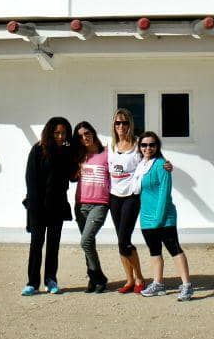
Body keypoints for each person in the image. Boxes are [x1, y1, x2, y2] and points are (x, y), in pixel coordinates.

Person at [135, 131, 193, 301]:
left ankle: (187, 285)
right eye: (144, 145)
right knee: (154, 251)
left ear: (157, 146)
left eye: (152, 144)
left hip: (163, 218)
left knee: (174, 249)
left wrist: (159, 219)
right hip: (146, 218)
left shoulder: (161, 165)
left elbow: (164, 194)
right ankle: (158, 283)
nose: (148, 148)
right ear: (140, 147)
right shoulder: (141, 166)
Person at [22, 116, 73, 296]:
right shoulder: (38, 150)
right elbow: (30, 179)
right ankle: (32, 283)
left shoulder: (66, 152)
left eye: (63, 133)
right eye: (57, 133)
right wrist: (34, 206)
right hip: (38, 207)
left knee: (53, 245)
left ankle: (51, 279)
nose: (60, 136)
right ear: (50, 132)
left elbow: (72, 176)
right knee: (36, 244)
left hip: (57, 207)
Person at [106, 109, 147, 294]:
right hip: (114, 197)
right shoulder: (111, 145)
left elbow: (152, 160)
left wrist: (166, 165)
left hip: (131, 196)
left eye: (124, 123)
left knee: (124, 239)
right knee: (121, 240)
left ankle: (139, 277)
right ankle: (129, 280)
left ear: (130, 124)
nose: (121, 126)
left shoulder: (138, 144)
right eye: (117, 123)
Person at [71, 121, 109, 293]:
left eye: (87, 133)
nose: (84, 137)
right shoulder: (79, 156)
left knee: (85, 241)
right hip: (80, 205)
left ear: (93, 133)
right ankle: (93, 280)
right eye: (80, 136)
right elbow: (70, 176)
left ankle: (99, 277)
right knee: (89, 244)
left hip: (99, 204)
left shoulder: (107, 153)